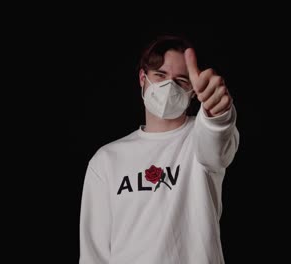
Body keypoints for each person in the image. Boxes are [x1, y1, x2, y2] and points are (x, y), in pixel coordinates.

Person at [79, 34, 239, 264]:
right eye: (160, 75)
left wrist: (218, 114)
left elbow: (217, 142)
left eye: (182, 80)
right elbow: (94, 253)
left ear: (193, 91)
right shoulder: (106, 160)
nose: (169, 86)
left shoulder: (199, 137)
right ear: (143, 77)